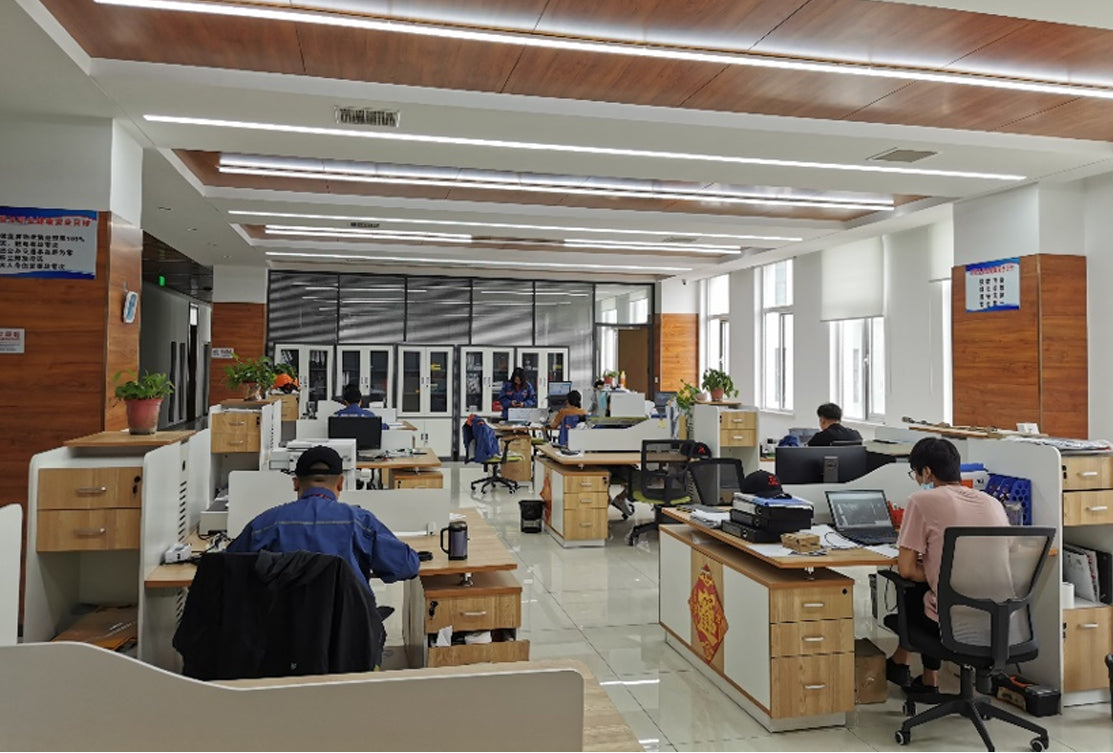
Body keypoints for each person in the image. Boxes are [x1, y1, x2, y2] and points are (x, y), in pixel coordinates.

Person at [886, 437, 1009, 694]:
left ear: (927, 471)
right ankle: (921, 674)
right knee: (934, 590)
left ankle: (909, 667)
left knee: (913, 588)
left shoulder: (921, 500)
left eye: (916, 473)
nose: (917, 480)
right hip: (998, 621)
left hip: (953, 622)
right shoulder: (992, 503)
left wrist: (935, 571)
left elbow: (906, 569)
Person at [226, 445, 420, 591]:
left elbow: (228, 568)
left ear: (295, 483)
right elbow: (406, 566)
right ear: (341, 483)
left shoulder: (265, 524)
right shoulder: (359, 522)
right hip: (349, 630)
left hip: (280, 630)